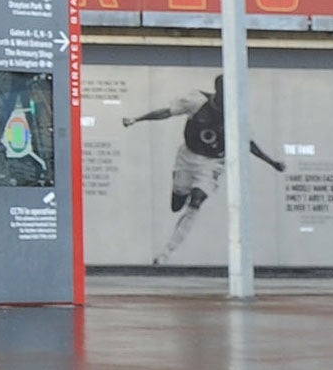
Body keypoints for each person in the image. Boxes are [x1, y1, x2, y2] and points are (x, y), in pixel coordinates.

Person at [122, 75, 285, 263]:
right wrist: (137, 119)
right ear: (217, 91)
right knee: (176, 204)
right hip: (187, 157)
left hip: (212, 163)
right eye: (224, 93)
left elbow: (248, 143)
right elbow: (167, 112)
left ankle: (166, 253)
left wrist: (272, 162)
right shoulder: (197, 101)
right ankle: (179, 187)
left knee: (197, 200)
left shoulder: (237, 114)